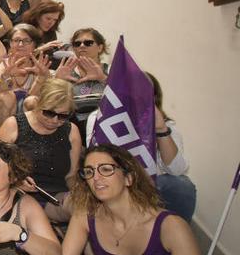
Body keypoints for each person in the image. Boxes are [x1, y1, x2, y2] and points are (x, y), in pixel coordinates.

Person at [20, 144, 216, 255]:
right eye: (89, 172)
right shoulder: (85, 217)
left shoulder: (170, 227)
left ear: (129, 178)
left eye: (106, 169)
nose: (96, 177)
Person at [84, 72, 197, 222]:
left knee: (181, 186)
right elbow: (96, 160)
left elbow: (177, 170)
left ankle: (175, 236)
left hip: (152, 185)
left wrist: (161, 130)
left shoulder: (165, 125)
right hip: (113, 180)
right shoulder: (98, 119)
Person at [0, 78, 83, 222]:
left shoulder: (71, 131)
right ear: (38, 104)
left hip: (56, 197)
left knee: (85, 208)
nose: (55, 120)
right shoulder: (14, 125)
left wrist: (81, 194)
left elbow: (71, 175)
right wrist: (15, 181)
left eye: (63, 116)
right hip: (17, 195)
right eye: (49, 113)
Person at [0, 24, 49, 127]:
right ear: (10, 43)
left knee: (33, 100)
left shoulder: (40, 67)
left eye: (26, 41)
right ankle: (3, 140)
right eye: (16, 40)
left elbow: (32, 101)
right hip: (4, 114)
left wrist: (41, 77)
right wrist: (6, 76)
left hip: (30, 115)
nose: (21, 44)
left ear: (35, 44)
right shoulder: (0, 66)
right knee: (6, 97)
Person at [54, 28, 109, 128]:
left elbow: (123, 98)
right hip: (72, 124)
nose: (82, 46)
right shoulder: (65, 72)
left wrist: (102, 78)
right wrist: (57, 81)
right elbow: (48, 105)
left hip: (104, 122)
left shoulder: (111, 70)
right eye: (77, 44)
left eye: (88, 43)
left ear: (100, 48)